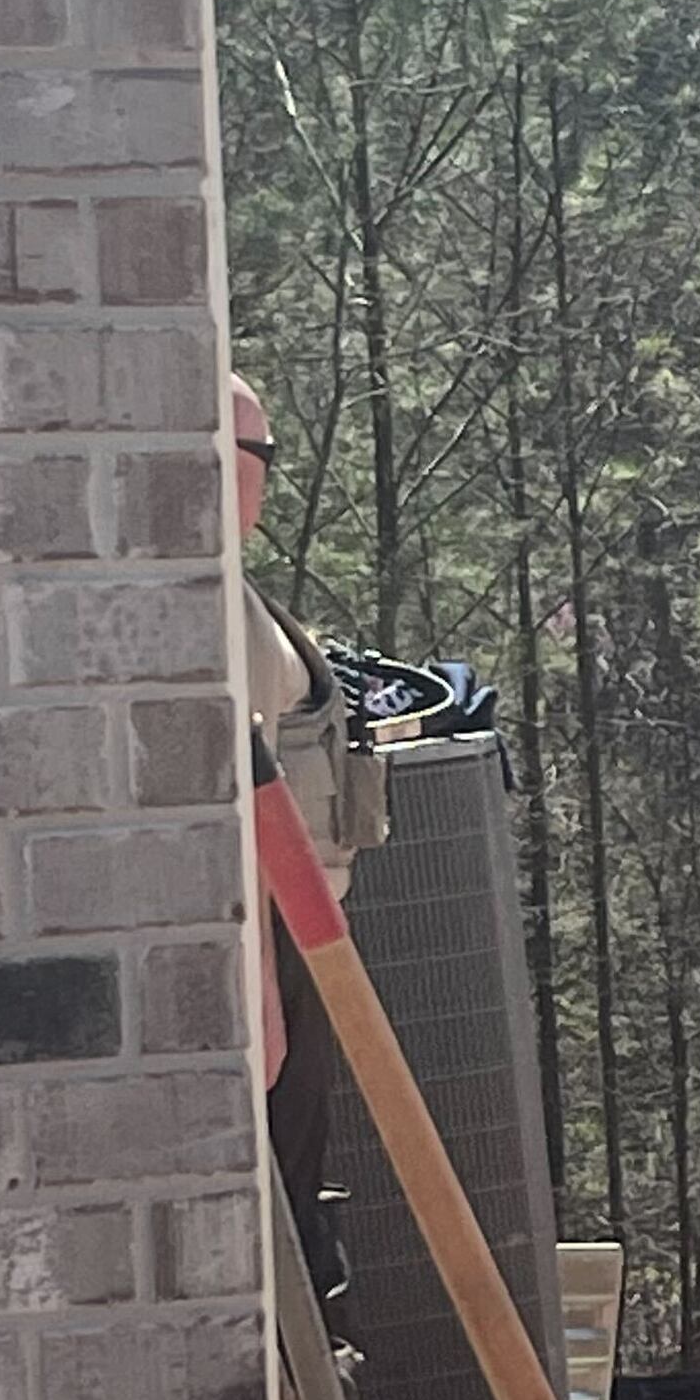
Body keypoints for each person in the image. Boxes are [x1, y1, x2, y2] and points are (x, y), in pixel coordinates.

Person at [232, 374, 385, 1328]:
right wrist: (260, 996)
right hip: (276, 945)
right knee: (284, 1196)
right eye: (255, 459)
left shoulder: (236, 594)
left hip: (301, 940)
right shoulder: (215, 607)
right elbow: (235, 809)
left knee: (303, 1177)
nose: (261, 483)